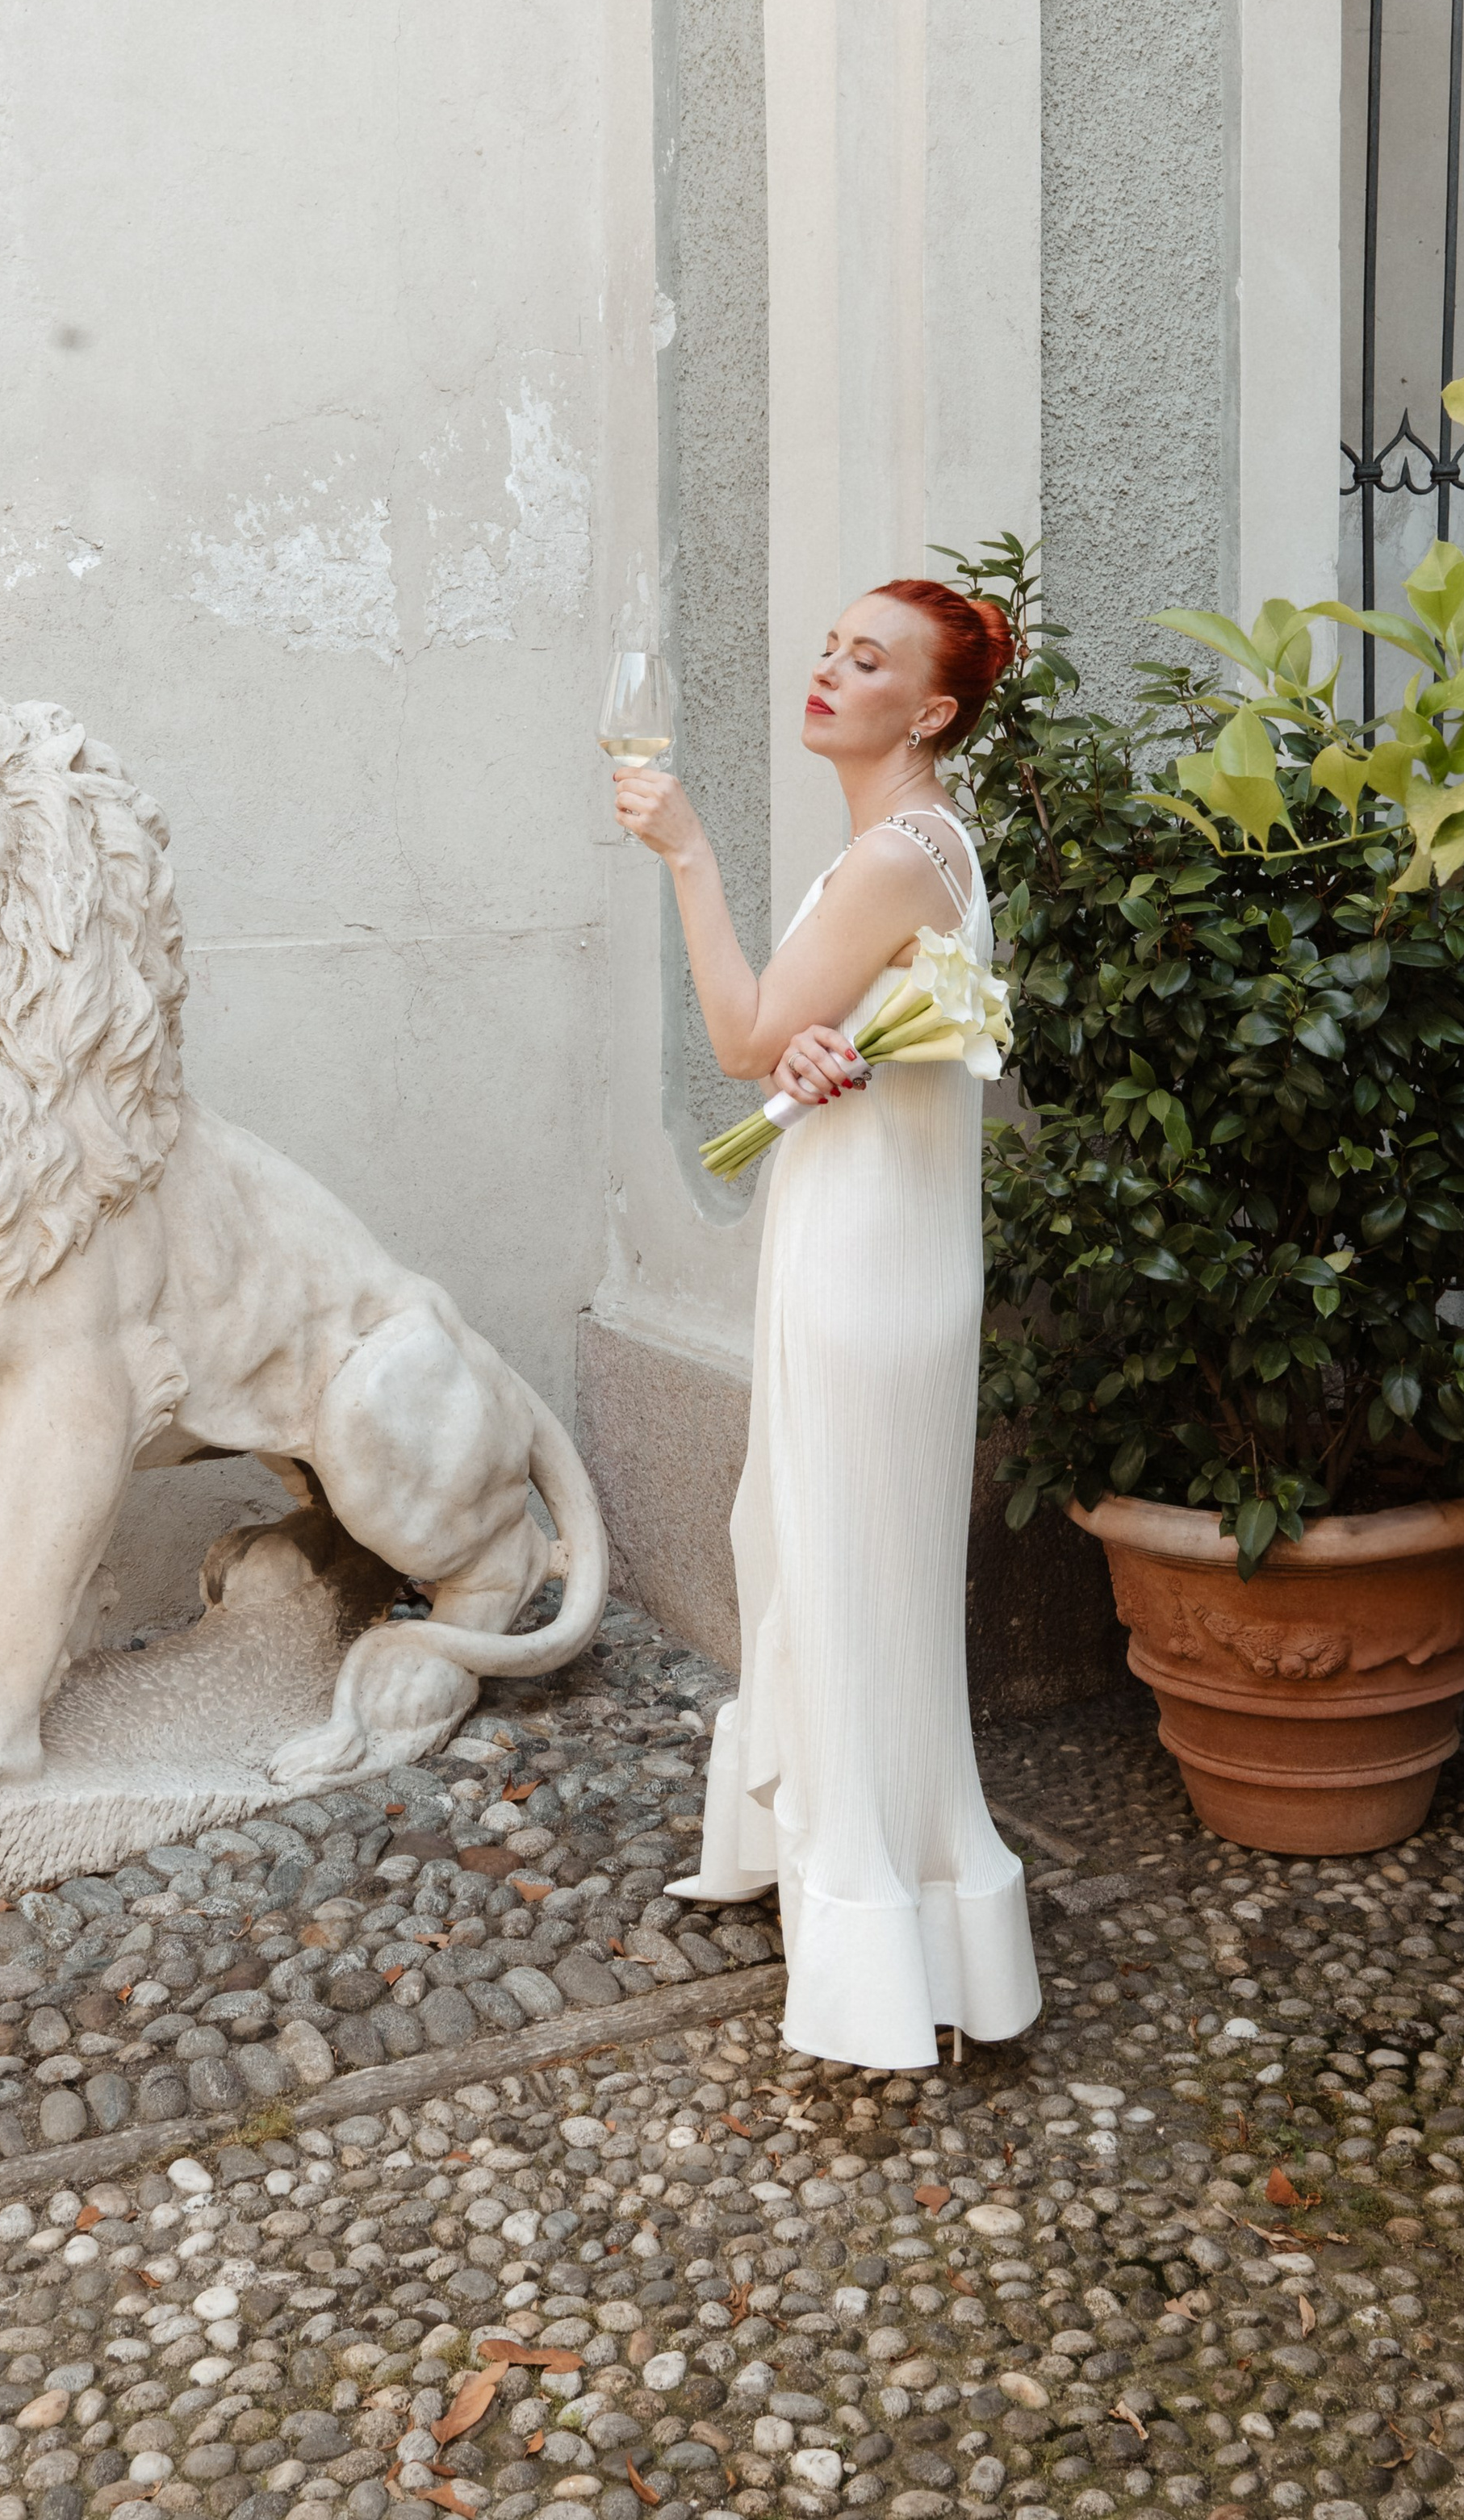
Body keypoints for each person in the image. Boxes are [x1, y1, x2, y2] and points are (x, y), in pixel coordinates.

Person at [612, 578, 1042, 2071]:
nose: (829, 670)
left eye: (870, 661)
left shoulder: (901, 852)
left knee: (851, 1571)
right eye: (830, 646)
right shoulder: (904, 847)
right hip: (866, 1249)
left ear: (929, 712)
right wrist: (824, 1042)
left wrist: (688, 856)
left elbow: (738, 1042)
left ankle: (875, 1924)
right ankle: (834, 1863)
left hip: (870, 1273)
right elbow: (799, 1038)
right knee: (813, 1554)